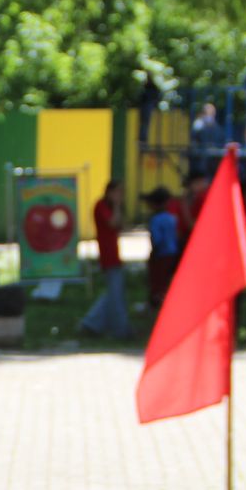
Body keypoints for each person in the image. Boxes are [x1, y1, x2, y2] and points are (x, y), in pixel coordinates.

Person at [80, 180, 131, 339]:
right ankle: (119, 329)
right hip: (107, 255)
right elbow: (112, 223)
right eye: (117, 193)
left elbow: (121, 225)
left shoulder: (110, 207)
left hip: (115, 254)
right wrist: (116, 205)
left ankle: (91, 323)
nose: (119, 196)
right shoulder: (101, 206)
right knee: (114, 294)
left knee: (113, 293)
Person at [144, 186, 180, 310]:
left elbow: (157, 240)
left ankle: (156, 305)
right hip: (172, 254)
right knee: (166, 282)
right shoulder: (171, 218)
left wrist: (153, 254)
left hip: (160, 255)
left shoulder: (155, 220)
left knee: (157, 283)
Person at [135, 71, 162, 146]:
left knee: (144, 123)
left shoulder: (149, 86)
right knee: (144, 123)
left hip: (147, 106)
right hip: (146, 106)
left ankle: (143, 140)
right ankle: (143, 139)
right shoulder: (149, 86)